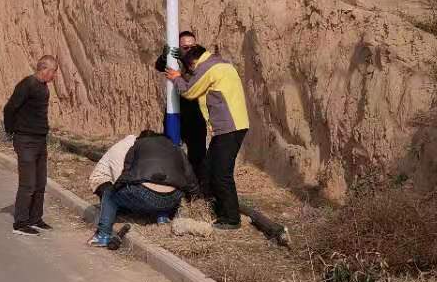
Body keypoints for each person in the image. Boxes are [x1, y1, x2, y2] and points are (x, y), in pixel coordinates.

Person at [167, 45, 290, 247]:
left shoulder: (208, 68)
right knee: (209, 166)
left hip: (229, 127)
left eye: (190, 67)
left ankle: (231, 218)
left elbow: (189, 91)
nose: (192, 71)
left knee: (221, 173)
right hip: (230, 126)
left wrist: (176, 77)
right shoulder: (219, 63)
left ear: (192, 62)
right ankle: (214, 206)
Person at [87, 130, 199, 248]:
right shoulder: (176, 148)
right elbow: (190, 178)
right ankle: (162, 216)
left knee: (110, 194)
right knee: (165, 188)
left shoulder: (137, 145)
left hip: (145, 195)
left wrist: (117, 188)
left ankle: (103, 236)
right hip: (172, 199)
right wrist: (195, 198)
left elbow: (127, 173)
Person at [3, 55, 59, 236]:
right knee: (28, 183)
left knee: (40, 182)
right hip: (25, 140)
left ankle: (35, 218)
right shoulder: (27, 84)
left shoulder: (43, 88)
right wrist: (10, 131)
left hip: (40, 140)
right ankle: (20, 223)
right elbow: (9, 108)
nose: (54, 76)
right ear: (46, 69)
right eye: (54, 72)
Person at [154, 28, 208, 195]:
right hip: (176, 112)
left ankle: (198, 193)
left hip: (195, 113)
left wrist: (185, 59)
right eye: (184, 47)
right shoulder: (174, 58)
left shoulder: (201, 58)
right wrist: (166, 57)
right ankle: (171, 190)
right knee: (171, 152)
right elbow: (160, 66)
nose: (189, 50)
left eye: (192, 46)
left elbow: (197, 70)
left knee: (198, 155)